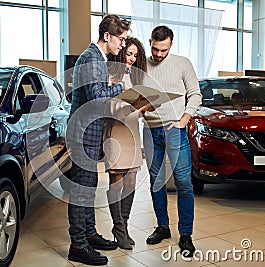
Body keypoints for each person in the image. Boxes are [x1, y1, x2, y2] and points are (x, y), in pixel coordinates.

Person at [66, 15, 131, 266]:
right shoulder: (93, 58)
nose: (123, 45)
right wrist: (120, 87)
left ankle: (89, 234)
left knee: (89, 188)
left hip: (89, 133)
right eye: (121, 39)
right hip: (83, 136)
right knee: (81, 191)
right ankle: (78, 246)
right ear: (107, 36)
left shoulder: (96, 58)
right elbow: (96, 98)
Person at [142, 25, 202, 257]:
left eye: (163, 50)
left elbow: (195, 93)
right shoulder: (142, 64)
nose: (158, 54)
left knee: (183, 182)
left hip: (175, 130)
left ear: (171, 45)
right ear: (150, 43)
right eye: (156, 49)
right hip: (151, 130)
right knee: (156, 181)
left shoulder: (182, 63)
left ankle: (185, 234)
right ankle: (163, 227)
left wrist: (185, 118)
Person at [104, 37, 155, 249]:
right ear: (121, 52)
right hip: (115, 131)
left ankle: (122, 226)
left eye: (135, 55)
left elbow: (136, 108)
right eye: (129, 54)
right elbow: (108, 107)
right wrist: (133, 107)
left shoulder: (135, 77)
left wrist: (146, 108)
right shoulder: (109, 73)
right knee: (116, 180)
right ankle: (118, 225)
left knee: (131, 182)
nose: (132, 59)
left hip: (133, 131)